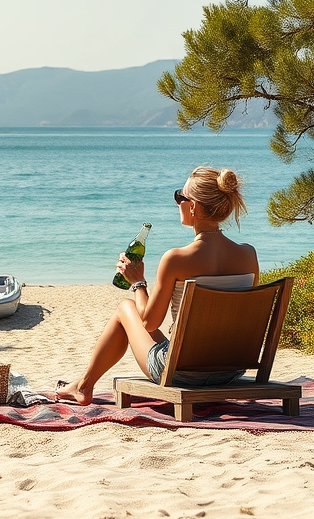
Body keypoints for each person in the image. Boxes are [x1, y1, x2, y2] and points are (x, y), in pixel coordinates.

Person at [56, 166, 259, 405]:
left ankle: (84, 386)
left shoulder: (176, 259)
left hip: (182, 372)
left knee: (125, 307)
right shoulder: (248, 255)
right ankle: (82, 384)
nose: (178, 203)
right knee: (154, 329)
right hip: (231, 370)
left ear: (193, 206)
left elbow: (150, 322)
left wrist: (137, 281)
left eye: (179, 197)